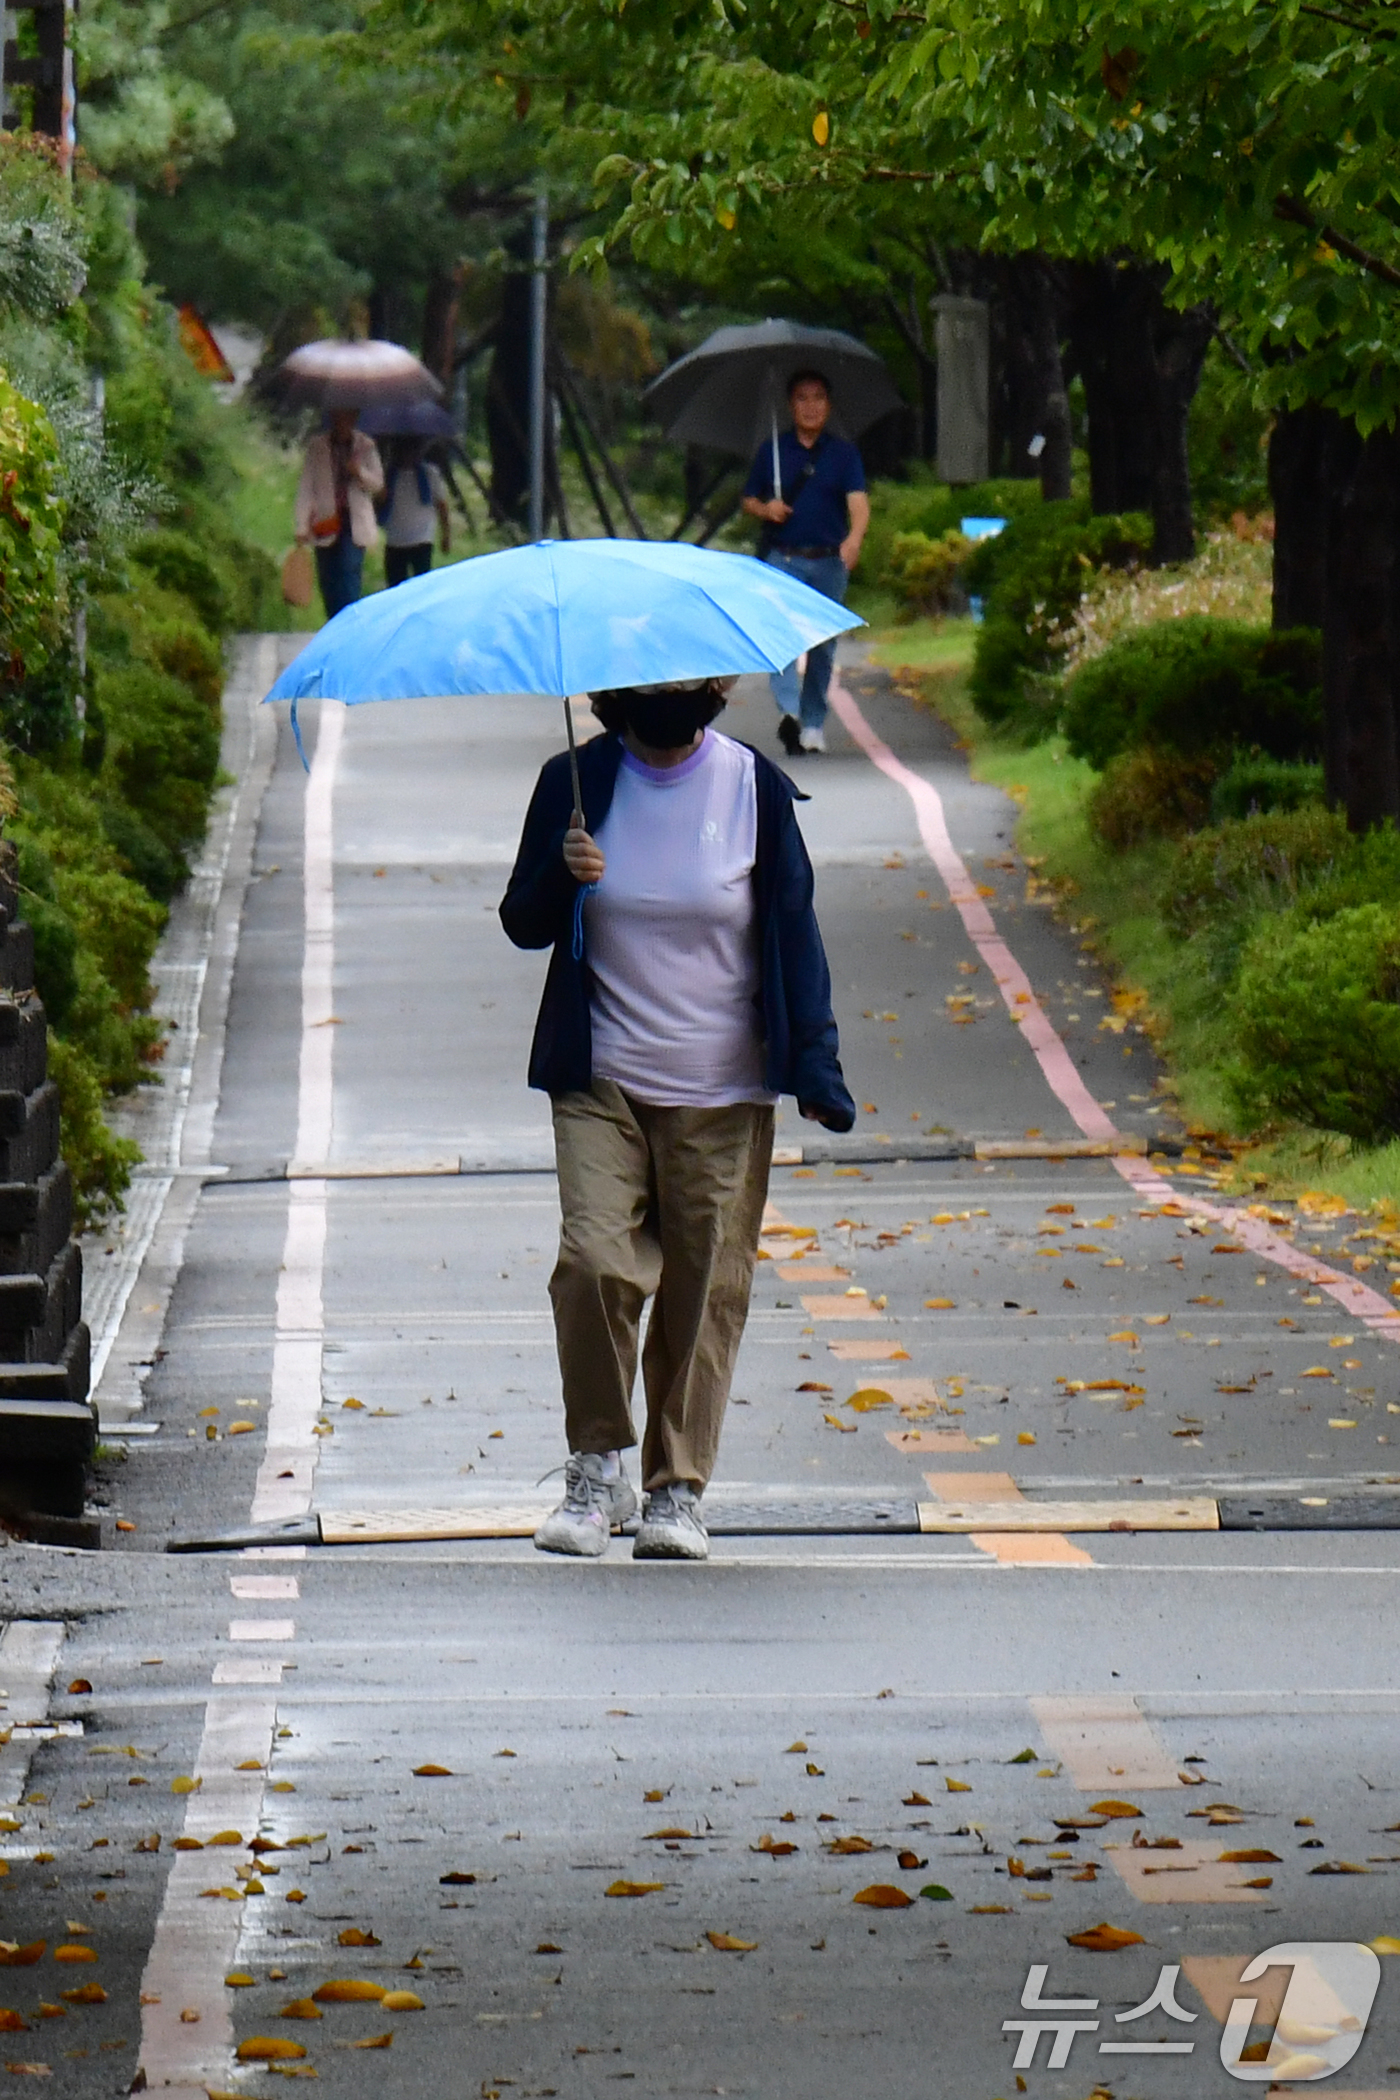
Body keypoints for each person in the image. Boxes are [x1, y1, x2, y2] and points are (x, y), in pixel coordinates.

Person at [500, 680, 855, 1562]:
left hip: (722, 1089)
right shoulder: (574, 782)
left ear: (716, 690)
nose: (665, 696)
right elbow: (522, 921)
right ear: (614, 693)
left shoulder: (755, 790)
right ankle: (595, 1469)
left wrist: (815, 1064)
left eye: (683, 682)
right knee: (592, 1263)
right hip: (602, 1077)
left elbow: (793, 930)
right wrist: (562, 869)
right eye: (646, 684)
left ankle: (676, 1489)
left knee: (703, 1287)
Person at [741, 370, 870, 757]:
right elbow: (748, 499)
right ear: (790, 405)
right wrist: (767, 508)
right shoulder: (773, 452)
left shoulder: (843, 455)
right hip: (784, 558)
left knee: (822, 645)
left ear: (828, 405)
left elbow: (858, 504)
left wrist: (854, 539)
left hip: (828, 562)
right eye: (802, 398)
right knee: (779, 638)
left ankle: (813, 722)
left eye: (818, 398)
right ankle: (790, 713)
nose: (810, 406)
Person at [294, 408, 385, 620]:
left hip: (353, 524)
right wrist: (301, 524)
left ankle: (349, 627)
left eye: (348, 416)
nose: (342, 421)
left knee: (348, 575)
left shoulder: (366, 446)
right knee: (328, 580)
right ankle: (333, 626)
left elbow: (378, 484)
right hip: (325, 522)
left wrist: (358, 471)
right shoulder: (318, 446)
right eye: (338, 415)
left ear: (354, 418)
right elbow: (307, 487)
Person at [379, 437, 451, 587]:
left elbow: (441, 505)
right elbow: (379, 503)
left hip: (422, 538)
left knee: (422, 584)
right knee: (395, 585)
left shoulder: (429, 473)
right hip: (395, 540)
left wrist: (446, 534)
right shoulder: (388, 475)